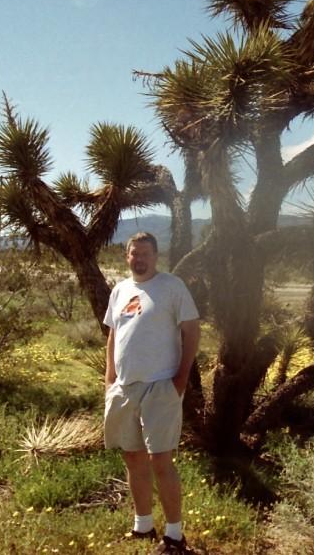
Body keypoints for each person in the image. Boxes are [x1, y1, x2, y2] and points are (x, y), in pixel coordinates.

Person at [103, 231, 201, 555]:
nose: (139, 258)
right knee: (132, 457)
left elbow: (191, 332)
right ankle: (143, 525)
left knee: (161, 460)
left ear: (155, 256)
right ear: (127, 256)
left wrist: (180, 381)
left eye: (145, 253)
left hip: (162, 385)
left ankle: (175, 536)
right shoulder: (119, 290)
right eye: (134, 253)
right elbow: (114, 336)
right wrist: (109, 381)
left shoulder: (172, 287)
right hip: (125, 386)